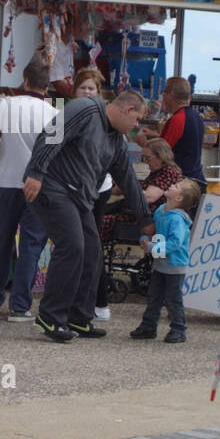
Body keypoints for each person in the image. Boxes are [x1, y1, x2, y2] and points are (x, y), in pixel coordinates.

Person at [23, 89, 153, 343]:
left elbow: (127, 178)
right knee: (72, 245)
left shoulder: (116, 139)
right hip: (51, 185)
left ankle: (78, 317)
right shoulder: (84, 109)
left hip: (79, 196)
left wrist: (145, 219)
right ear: (127, 110)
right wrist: (36, 172)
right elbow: (50, 136)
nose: (137, 126)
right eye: (137, 119)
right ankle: (50, 317)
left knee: (92, 252)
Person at [0, 56, 56, 323]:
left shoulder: (7, 105)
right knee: (31, 246)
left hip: (7, 183)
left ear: (25, 81)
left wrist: (6, 154)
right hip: (38, 187)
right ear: (47, 86)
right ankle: (20, 307)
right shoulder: (54, 113)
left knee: (2, 242)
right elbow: (56, 154)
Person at [131, 178, 202, 343]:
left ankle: (179, 329)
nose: (172, 185)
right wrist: (145, 238)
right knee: (154, 296)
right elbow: (154, 230)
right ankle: (149, 326)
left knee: (173, 299)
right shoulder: (162, 210)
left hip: (175, 266)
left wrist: (152, 248)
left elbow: (175, 243)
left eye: (176, 186)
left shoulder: (176, 219)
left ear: (179, 198)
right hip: (161, 264)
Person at [72, 68, 118, 322]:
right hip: (73, 188)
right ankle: (79, 303)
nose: (88, 92)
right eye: (83, 88)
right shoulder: (65, 113)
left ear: (99, 93)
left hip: (97, 189)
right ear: (74, 91)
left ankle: (98, 301)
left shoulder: (105, 118)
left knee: (91, 245)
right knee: (76, 245)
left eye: (92, 88)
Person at [101, 138, 182, 240]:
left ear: (161, 157)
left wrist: (128, 186)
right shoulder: (157, 173)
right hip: (134, 215)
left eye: (148, 158)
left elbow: (149, 197)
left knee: (95, 223)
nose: (146, 162)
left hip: (142, 220)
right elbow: (119, 191)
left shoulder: (168, 173)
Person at [136, 77, 205, 188]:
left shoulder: (177, 120)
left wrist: (143, 142)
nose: (162, 98)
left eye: (164, 93)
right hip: (196, 178)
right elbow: (184, 144)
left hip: (181, 183)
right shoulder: (196, 117)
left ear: (171, 94)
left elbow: (161, 155)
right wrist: (156, 136)